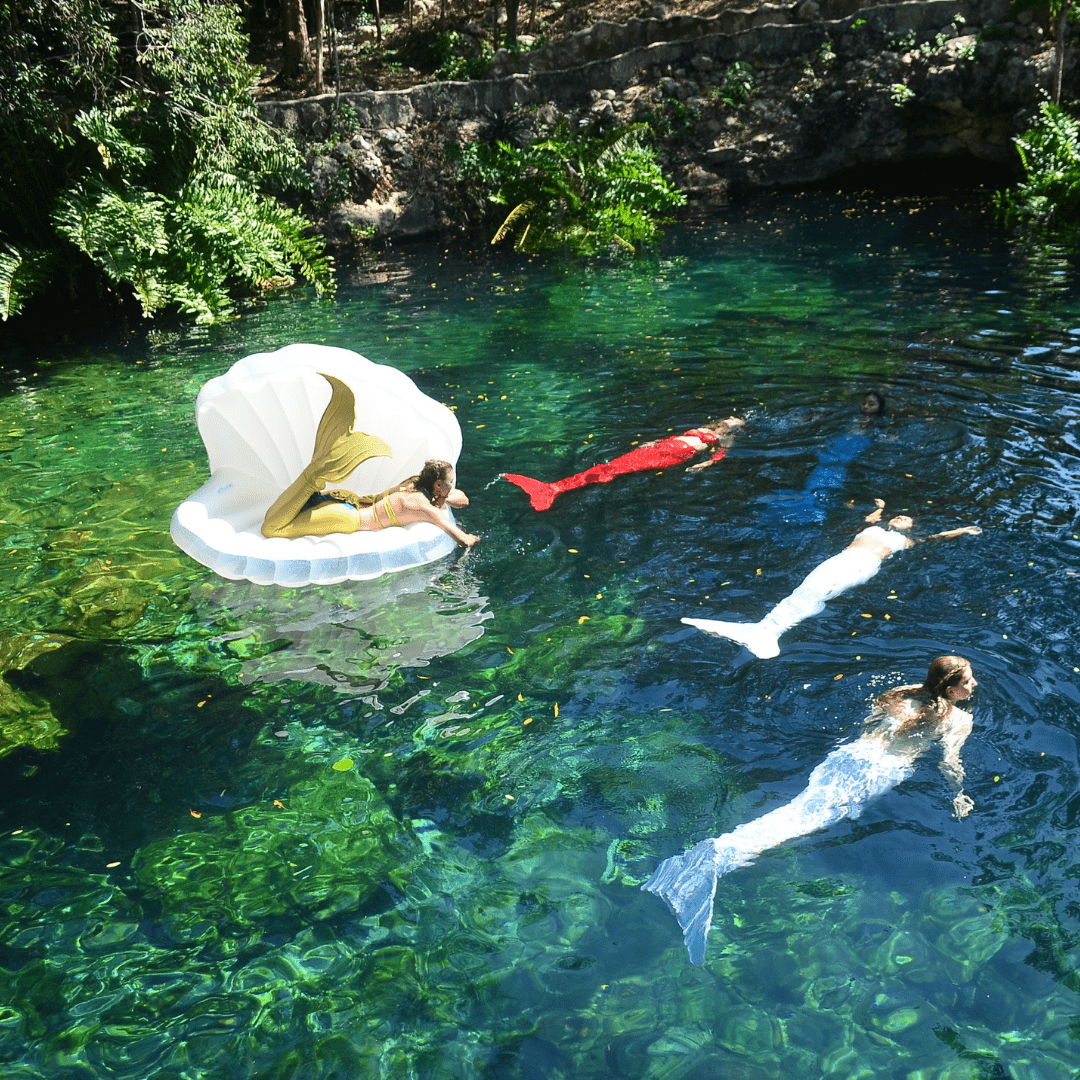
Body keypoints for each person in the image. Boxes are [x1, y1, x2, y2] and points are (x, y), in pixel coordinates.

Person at [643, 656, 978, 965]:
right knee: (800, 822)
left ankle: (716, 855)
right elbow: (951, 762)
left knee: (798, 811)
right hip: (877, 773)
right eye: (969, 681)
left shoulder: (901, 693)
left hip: (850, 756)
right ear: (951, 690)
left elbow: (871, 722)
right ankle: (715, 859)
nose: (974, 685)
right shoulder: (958, 720)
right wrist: (959, 794)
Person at [682, 509, 981, 658]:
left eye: (908, 519)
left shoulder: (904, 541)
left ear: (912, 528)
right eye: (899, 515)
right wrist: (880, 506)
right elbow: (869, 517)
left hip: (864, 566)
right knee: (809, 588)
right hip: (842, 558)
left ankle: (767, 630)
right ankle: (766, 628)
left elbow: (936, 538)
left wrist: (962, 530)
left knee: (819, 592)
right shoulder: (875, 526)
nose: (903, 519)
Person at [261, 373, 479, 547]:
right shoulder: (424, 507)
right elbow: (462, 538)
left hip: (345, 500)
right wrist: (473, 539)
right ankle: (316, 472)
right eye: (449, 483)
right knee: (272, 528)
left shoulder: (413, 483)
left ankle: (316, 473)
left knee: (274, 515)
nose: (452, 487)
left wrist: (443, 495)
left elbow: (462, 499)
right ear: (438, 484)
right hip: (347, 517)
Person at [502, 417, 744, 511]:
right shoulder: (710, 427)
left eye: (734, 422)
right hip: (659, 448)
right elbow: (679, 435)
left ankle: (555, 489)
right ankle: (554, 487)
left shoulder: (726, 438)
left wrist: (699, 467)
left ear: (733, 429)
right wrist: (653, 442)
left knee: (615, 470)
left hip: (668, 458)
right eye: (730, 418)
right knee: (610, 467)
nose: (729, 420)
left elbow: (718, 457)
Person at [761, 389, 887, 531]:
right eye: (864, 403)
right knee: (814, 487)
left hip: (843, 461)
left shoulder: (880, 427)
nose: (865, 407)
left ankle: (812, 520)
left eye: (871, 404)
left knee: (823, 491)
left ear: (880, 407)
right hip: (829, 455)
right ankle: (803, 515)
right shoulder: (849, 417)